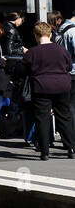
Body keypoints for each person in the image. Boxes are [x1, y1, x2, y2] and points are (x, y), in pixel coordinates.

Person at [22, 22, 75, 160]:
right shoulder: (61, 49)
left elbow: (23, 70)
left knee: (42, 118)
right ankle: (70, 148)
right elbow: (69, 67)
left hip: (41, 87)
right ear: (50, 34)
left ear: (35, 35)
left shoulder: (32, 52)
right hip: (62, 86)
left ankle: (45, 151)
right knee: (64, 117)